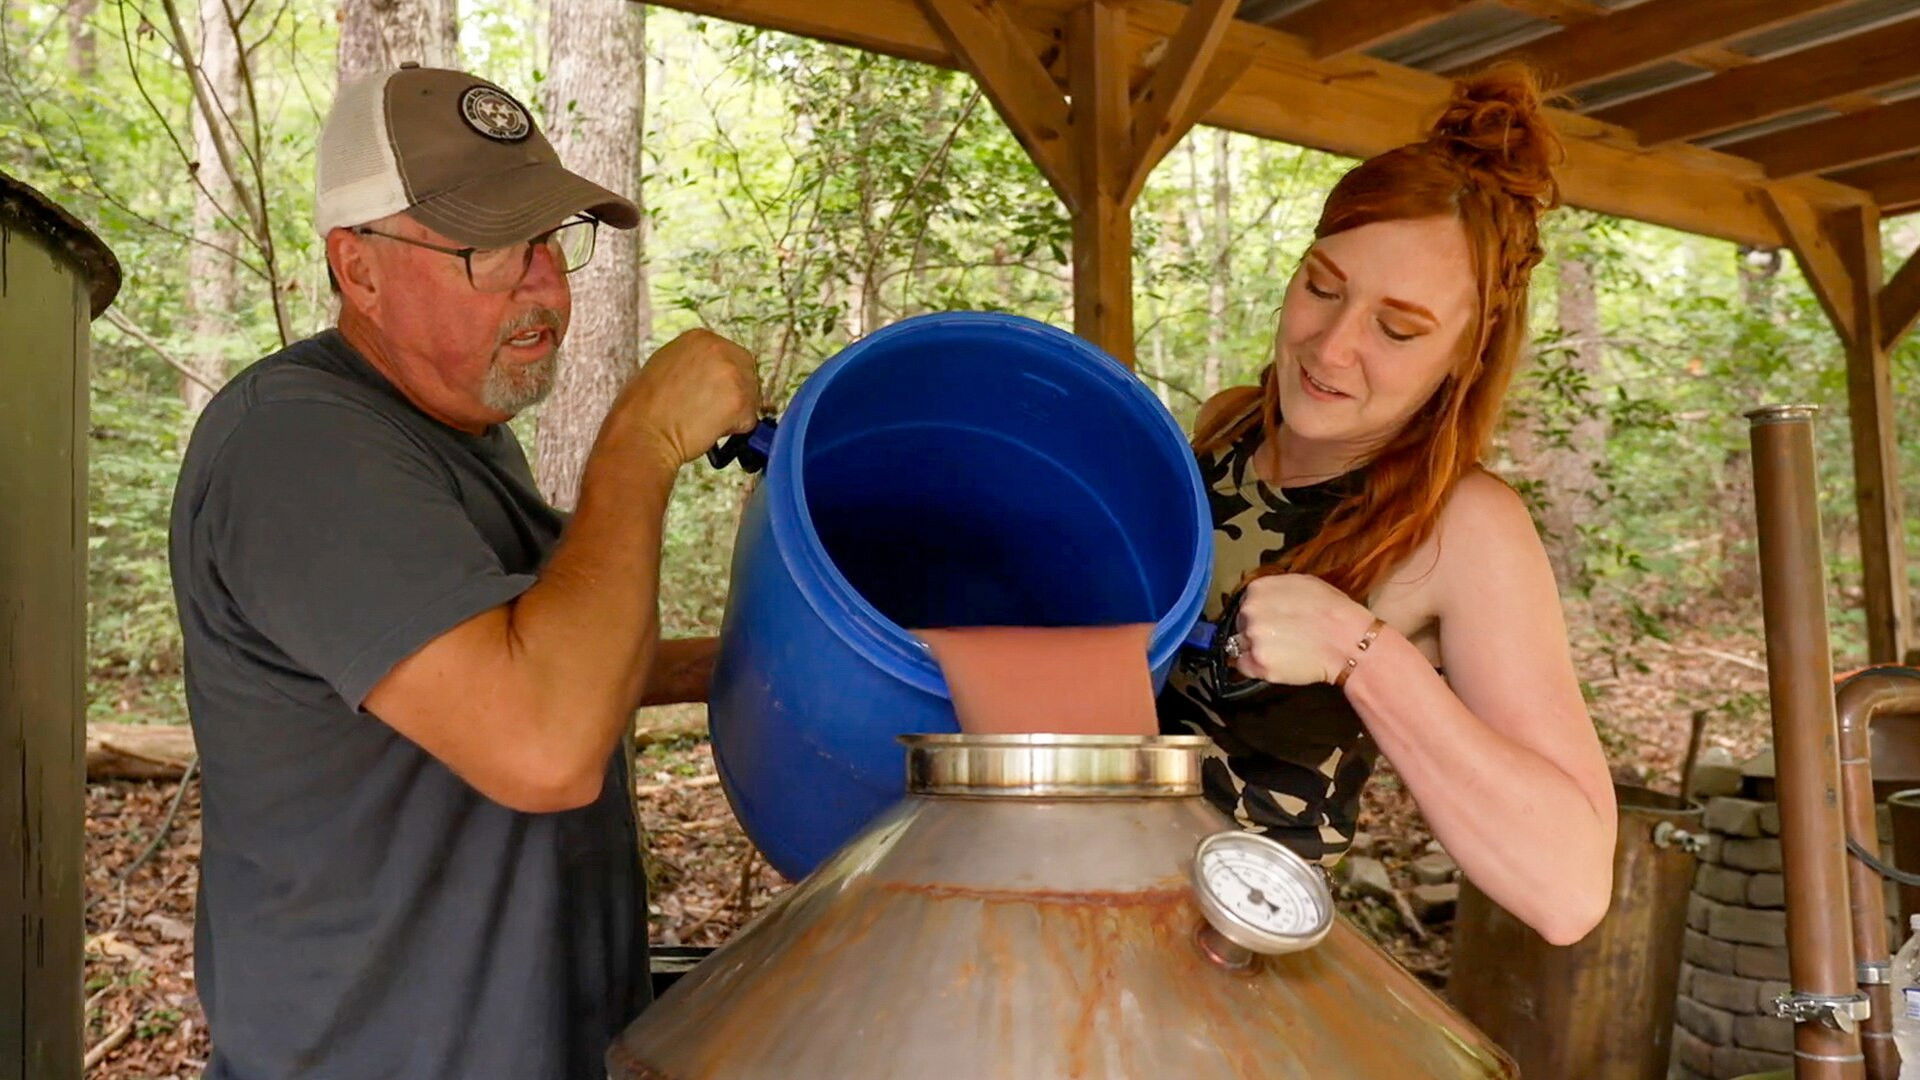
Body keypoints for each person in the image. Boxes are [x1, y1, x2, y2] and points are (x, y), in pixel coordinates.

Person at [169, 65, 759, 1078]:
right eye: (489, 248)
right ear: (358, 270)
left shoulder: (463, 437)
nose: (541, 284)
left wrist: (753, 663)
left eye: (547, 241)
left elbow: (525, 653)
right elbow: (541, 742)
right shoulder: (298, 449)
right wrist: (641, 438)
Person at [1157, 64, 1616, 947]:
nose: (1331, 347)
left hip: (1230, 972)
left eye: (1397, 329)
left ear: (1466, 357)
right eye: (1323, 288)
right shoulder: (1217, 436)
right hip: (1073, 918)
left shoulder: (1463, 528)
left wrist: (1360, 653)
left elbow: (1570, 889)